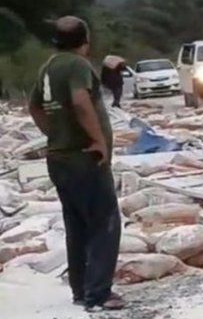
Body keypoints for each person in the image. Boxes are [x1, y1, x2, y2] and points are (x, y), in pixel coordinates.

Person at [28, 16, 124, 311]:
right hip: (84, 158)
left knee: (77, 225)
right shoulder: (76, 65)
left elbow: (34, 106)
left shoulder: (48, 67)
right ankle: (98, 293)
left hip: (59, 159)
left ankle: (80, 289)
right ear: (86, 39)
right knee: (105, 222)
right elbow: (81, 101)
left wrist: (54, 133)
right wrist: (97, 141)